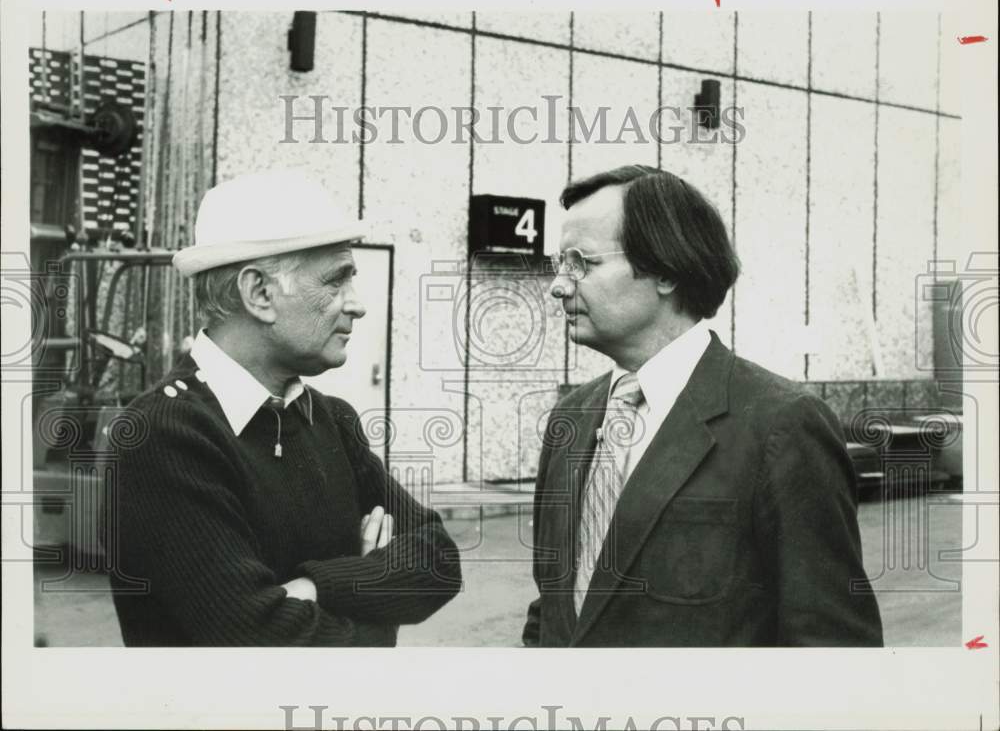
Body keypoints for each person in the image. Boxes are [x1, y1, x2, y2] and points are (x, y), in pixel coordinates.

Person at [522, 165, 883, 647]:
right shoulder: (571, 419)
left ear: (666, 270)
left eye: (582, 262)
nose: (559, 285)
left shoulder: (781, 424)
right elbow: (553, 607)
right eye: (559, 264)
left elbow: (832, 646)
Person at [104, 170, 461, 646]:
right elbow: (259, 640)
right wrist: (375, 592)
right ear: (260, 294)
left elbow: (438, 560)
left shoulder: (330, 419)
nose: (357, 305)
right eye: (336, 281)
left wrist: (315, 587)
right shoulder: (163, 436)